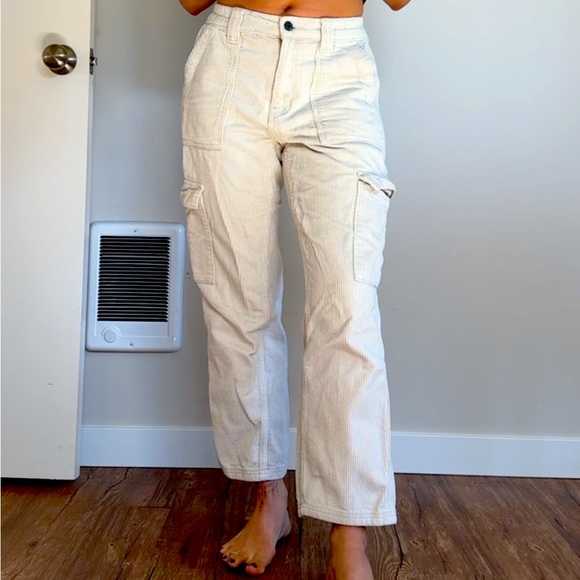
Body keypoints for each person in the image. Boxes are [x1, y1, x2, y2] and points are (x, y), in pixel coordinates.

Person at [178, 0, 411, 576]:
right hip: (233, 60)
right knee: (240, 304)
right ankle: (269, 499)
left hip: (337, 69)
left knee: (348, 309)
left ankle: (349, 533)